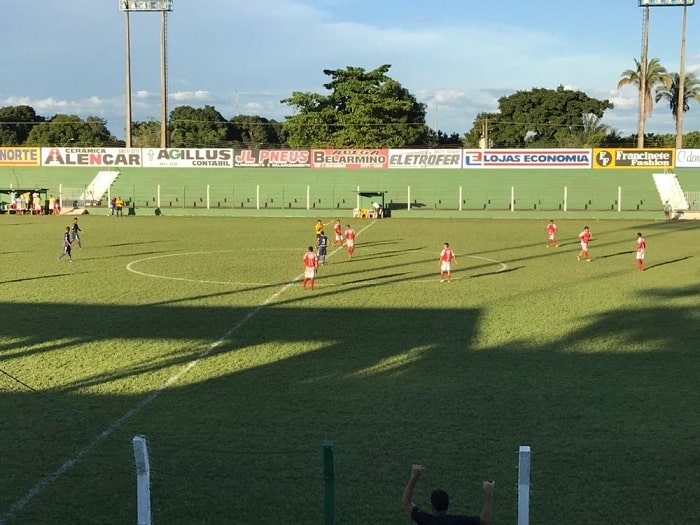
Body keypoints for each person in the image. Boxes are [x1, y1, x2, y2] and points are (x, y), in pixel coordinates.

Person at [402, 464, 494, 525]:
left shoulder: (425, 520)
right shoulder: (458, 521)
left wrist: (414, 476)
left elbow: (407, 502)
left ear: (432, 506)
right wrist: (488, 495)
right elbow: (483, 520)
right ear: (449, 504)